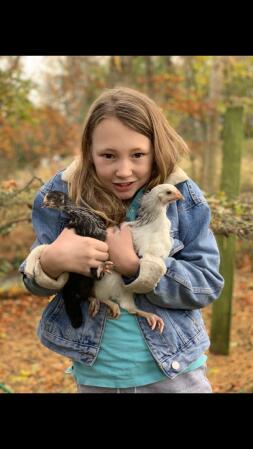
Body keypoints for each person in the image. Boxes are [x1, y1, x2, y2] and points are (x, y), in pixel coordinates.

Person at [19, 87, 224, 393]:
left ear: (156, 149)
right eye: (108, 156)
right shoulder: (65, 194)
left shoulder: (183, 199)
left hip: (175, 376)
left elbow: (206, 283)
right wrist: (50, 261)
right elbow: (31, 279)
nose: (124, 170)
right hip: (98, 378)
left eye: (138, 155)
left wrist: (137, 267)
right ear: (89, 151)